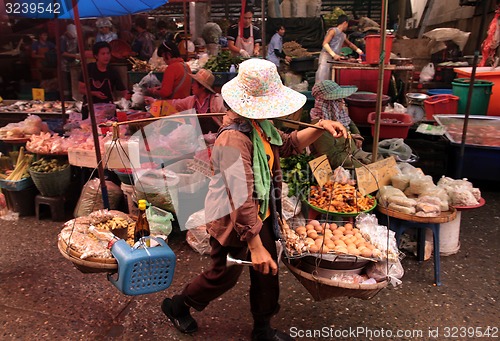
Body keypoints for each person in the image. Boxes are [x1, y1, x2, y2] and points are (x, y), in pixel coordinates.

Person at [161, 59, 347, 341]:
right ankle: (177, 305)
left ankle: (262, 329)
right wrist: (254, 243)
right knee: (222, 276)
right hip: (233, 220)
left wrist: (319, 127)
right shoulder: (233, 139)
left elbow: (287, 144)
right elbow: (240, 197)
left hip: (261, 214)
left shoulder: (261, 127)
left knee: (267, 275)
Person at [309, 80, 373, 168]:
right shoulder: (319, 126)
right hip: (343, 162)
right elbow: (331, 158)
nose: (342, 102)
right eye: (339, 100)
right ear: (329, 104)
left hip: (354, 153)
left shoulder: (339, 115)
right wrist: (360, 164)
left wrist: (357, 135)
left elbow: (350, 123)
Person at [78, 41, 128, 120]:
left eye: (108, 53)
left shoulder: (113, 72)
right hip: (89, 109)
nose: (106, 56)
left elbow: (123, 91)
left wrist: (126, 102)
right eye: (103, 54)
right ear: (96, 56)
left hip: (108, 110)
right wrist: (94, 93)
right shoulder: (88, 69)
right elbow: (81, 89)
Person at [168, 68, 226, 134]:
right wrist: (155, 101)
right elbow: (175, 103)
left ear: (203, 87)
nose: (192, 85)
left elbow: (227, 120)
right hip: (199, 140)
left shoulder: (217, 101)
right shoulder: (191, 100)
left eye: (195, 83)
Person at [315, 15, 364, 83]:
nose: (347, 26)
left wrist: (359, 51)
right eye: (347, 24)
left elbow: (349, 44)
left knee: (330, 79)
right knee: (322, 77)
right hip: (326, 57)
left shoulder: (343, 35)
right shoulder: (333, 31)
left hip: (334, 59)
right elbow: (325, 44)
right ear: (345, 23)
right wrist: (333, 54)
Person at [60, 24, 79, 100]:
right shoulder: (63, 39)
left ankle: (74, 97)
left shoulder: (76, 38)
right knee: (66, 83)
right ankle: (66, 99)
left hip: (73, 63)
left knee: (73, 81)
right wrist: (75, 56)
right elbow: (62, 52)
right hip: (64, 64)